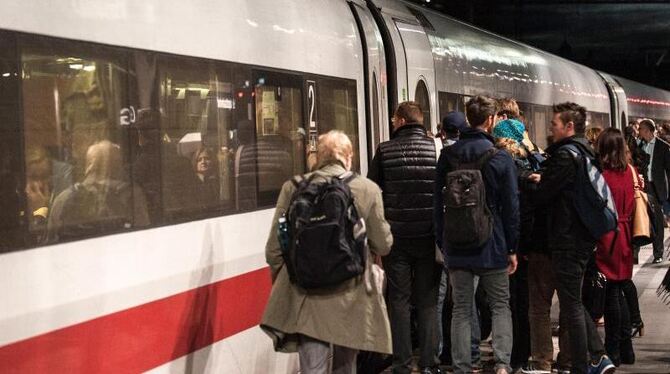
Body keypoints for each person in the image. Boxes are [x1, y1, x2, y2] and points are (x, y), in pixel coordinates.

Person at [260, 130, 393, 374]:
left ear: (318, 157)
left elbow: (274, 249)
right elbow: (383, 245)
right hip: (351, 296)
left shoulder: (293, 188)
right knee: (346, 366)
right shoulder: (367, 189)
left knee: (313, 369)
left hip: (307, 295)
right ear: (349, 157)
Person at [434, 95, 519, 374]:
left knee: (460, 308)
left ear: (469, 119)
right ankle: (502, 364)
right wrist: (512, 247)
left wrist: (442, 241)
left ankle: (462, 366)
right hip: (492, 243)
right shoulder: (500, 157)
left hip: (457, 244)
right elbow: (510, 206)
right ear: (492, 120)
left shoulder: (448, 156)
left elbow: (437, 203)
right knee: (499, 305)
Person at [532, 102, 615, 374]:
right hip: (579, 239)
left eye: (554, 124)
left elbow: (543, 195)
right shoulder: (584, 152)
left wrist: (530, 180)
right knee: (573, 301)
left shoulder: (566, 156)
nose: (550, 128)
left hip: (567, 240)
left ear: (569, 126)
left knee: (572, 305)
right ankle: (597, 359)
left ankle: (587, 363)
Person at [368, 101, 441, 374]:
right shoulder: (436, 150)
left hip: (396, 238)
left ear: (399, 121)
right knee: (428, 300)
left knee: (398, 300)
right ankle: (430, 363)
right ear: (419, 121)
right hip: (428, 237)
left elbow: (372, 192)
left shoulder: (385, 150)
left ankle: (401, 363)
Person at [491, 119, 534, 372]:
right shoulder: (528, 162)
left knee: (510, 302)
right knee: (521, 303)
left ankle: (513, 356)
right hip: (525, 242)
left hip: (511, 243)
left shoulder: (504, 164)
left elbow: (511, 209)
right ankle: (520, 355)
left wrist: (512, 246)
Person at [47, 140, 149, 243]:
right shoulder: (132, 194)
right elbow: (144, 235)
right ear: (117, 166)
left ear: (89, 165)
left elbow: (51, 240)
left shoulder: (63, 198)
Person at [593, 128, 637, 367]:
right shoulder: (630, 172)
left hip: (608, 237)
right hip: (626, 235)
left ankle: (614, 351)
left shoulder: (604, 176)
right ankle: (626, 349)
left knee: (610, 295)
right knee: (619, 291)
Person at [637, 118, 670, 263]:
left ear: (648, 131)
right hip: (642, 187)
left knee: (657, 220)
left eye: (641, 130)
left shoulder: (663, 147)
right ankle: (634, 253)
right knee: (639, 219)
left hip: (655, 188)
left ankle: (658, 254)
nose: (639, 133)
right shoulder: (638, 146)